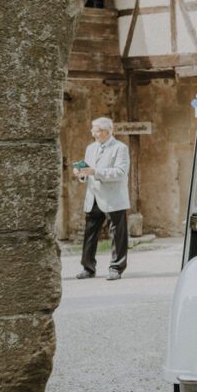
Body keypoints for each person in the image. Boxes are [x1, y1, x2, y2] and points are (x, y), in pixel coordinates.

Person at [74, 117, 131, 280]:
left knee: (117, 235)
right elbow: (87, 171)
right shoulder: (90, 148)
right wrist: (81, 174)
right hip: (93, 198)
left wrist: (95, 172)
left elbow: (120, 172)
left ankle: (116, 268)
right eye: (93, 130)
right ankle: (88, 268)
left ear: (106, 132)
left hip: (114, 198)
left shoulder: (120, 148)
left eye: (95, 130)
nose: (92, 133)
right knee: (90, 234)